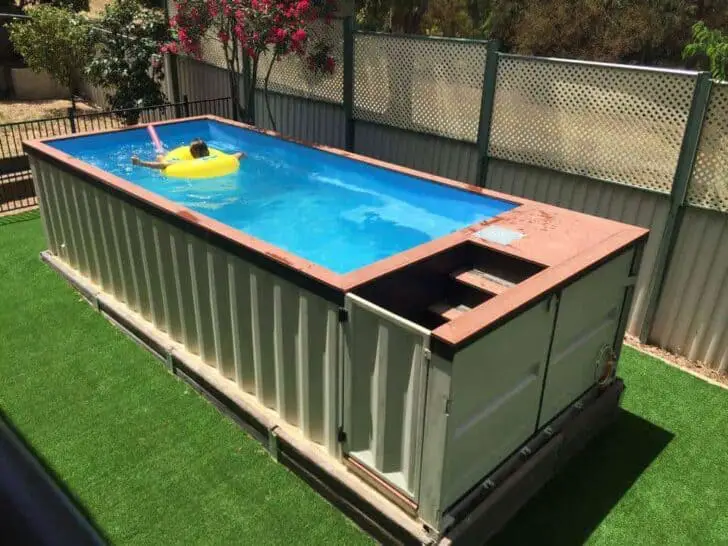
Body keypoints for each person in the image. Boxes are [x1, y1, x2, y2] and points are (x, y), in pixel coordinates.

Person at [131, 139, 245, 170]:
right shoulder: (219, 157)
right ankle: (162, 154)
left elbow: (163, 166)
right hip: (217, 165)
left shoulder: (189, 163)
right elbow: (239, 155)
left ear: (192, 154)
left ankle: (161, 154)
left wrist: (141, 163)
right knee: (162, 157)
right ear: (208, 150)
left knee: (160, 158)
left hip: (181, 165)